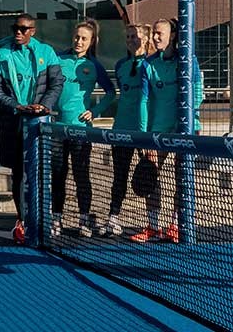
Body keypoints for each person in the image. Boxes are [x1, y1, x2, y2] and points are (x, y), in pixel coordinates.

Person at [0, 14, 63, 244]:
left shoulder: (46, 53)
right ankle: (21, 220)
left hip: (40, 125)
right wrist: (17, 106)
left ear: (33, 31)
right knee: (18, 173)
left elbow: (56, 83)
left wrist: (44, 106)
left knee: (43, 172)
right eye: (15, 28)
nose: (18, 32)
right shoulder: (1, 53)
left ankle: (44, 219)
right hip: (13, 123)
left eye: (23, 29)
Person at [131, 18, 203, 244]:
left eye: (159, 33)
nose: (154, 38)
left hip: (185, 129)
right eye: (153, 33)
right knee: (151, 176)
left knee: (182, 179)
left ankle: (175, 225)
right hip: (157, 131)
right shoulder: (147, 65)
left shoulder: (189, 61)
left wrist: (187, 123)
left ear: (172, 35)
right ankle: (153, 226)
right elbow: (143, 100)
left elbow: (197, 93)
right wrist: (144, 135)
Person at [51, 19, 116, 238]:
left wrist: (94, 113)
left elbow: (110, 93)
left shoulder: (94, 65)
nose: (79, 42)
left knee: (81, 176)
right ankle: (56, 220)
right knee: (58, 176)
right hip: (57, 129)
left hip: (81, 130)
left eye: (84, 38)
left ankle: (84, 221)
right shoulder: (58, 59)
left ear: (92, 41)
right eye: (77, 37)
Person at [103, 23, 153, 238]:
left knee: (150, 176)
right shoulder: (121, 65)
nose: (132, 40)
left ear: (146, 39)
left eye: (136, 37)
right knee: (119, 176)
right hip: (121, 129)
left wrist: (146, 132)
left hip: (145, 132)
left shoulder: (151, 65)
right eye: (129, 37)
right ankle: (113, 218)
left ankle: (153, 223)